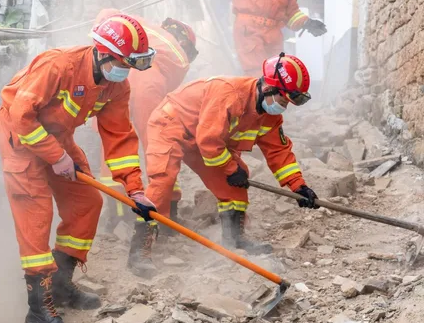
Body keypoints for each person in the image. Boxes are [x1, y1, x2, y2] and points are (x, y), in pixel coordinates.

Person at [0, 13, 157, 323]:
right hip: (21, 137)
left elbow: (120, 138)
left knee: (87, 203)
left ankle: (59, 284)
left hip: (58, 136)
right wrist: (55, 157)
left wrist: (135, 190)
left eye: (130, 65)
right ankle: (38, 310)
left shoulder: (117, 86)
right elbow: (20, 116)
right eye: (122, 63)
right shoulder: (58, 66)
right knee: (36, 215)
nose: (124, 72)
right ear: (101, 52)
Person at [132, 53, 319, 276]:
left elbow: (278, 152)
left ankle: (234, 240)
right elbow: (209, 142)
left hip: (205, 139)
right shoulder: (229, 94)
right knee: (163, 180)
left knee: (236, 184)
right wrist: (230, 168)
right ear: (269, 87)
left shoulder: (270, 116)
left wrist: (299, 187)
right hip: (171, 125)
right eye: (282, 101)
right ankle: (139, 252)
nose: (283, 108)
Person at [92, 10, 197, 241]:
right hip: (149, 82)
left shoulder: (143, 35)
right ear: (183, 41)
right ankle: (167, 214)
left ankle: (117, 215)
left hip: (121, 77)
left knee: (112, 141)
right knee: (158, 145)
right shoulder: (171, 53)